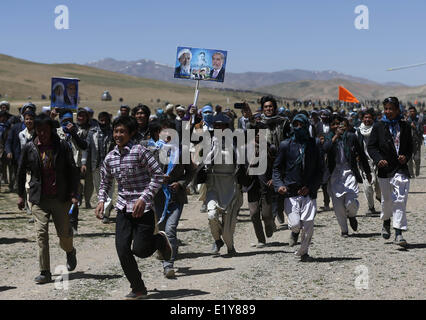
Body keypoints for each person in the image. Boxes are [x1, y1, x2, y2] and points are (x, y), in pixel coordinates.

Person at [95, 116, 172, 300]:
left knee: (141, 250)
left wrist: (144, 198)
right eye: (116, 131)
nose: (118, 135)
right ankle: (138, 287)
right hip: (123, 208)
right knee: (122, 249)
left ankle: (160, 241)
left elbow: (158, 176)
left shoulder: (140, 151)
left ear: (131, 133)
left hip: (143, 209)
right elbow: (105, 182)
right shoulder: (110, 158)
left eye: (122, 131)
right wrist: (100, 200)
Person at [17, 113, 79, 284]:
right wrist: (20, 195)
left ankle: (70, 250)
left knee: (64, 235)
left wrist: (74, 194)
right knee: (41, 234)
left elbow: (72, 170)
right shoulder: (30, 147)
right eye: (38, 131)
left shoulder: (62, 146)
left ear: (51, 129)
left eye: (44, 130)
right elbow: (21, 172)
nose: (41, 134)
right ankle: (45, 272)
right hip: (39, 198)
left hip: (61, 197)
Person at [273, 113, 323, 261]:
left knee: (308, 226)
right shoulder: (285, 145)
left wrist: (311, 187)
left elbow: (320, 170)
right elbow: (276, 169)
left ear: (307, 126)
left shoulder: (314, 144)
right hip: (291, 192)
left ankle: (304, 252)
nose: (299, 128)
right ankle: (294, 232)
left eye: (302, 125)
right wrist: (279, 185)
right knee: (295, 224)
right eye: (296, 125)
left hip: (308, 193)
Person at [150, 120, 195, 278]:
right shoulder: (153, 150)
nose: (167, 134)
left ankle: (168, 265)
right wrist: (157, 178)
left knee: (170, 229)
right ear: (158, 133)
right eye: (163, 131)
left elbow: (190, 172)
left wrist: (180, 183)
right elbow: (146, 171)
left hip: (176, 197)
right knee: (161, 229)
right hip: (159, 197)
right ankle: (168, 251)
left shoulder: (182, 151)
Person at [367, 97, 413, 247]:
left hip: (400, 168)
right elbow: (371, 147)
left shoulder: (405, 126)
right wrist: (378, 159)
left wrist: (405, 156)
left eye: (391, 109)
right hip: (385, 170)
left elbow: (410, 147)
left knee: (400, 199)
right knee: (387, 200)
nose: (388, 111)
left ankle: (398, 232)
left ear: (398, 110)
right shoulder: (379, 126)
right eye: (386, 109)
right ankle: (386, 221)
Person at [324, 115, 371, 237]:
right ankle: (344, 230)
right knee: (338, 205)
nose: (336, 126)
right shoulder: (328, 137)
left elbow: (361, 154)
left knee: (351, 201)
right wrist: (335, 137)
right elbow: (325, 149)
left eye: (339, 124)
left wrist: (367, 172)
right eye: (333, 124)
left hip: (349, 171)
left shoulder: (351, 137)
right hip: (334, 174)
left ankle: (352, 215)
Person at [203, 113, 243, 256]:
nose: (219, 128)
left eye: (222, 125)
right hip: (214, 184)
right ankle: (217, 240)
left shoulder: (236, 141)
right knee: (212, 216)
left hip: (231, 186)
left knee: (228, 226)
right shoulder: (209, 141)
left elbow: (241, 162)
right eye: (216, 125)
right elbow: (203, 161)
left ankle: (230, 247)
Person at [83, 111, 115, 224]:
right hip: (95, 165)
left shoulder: (113, 132)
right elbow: (87, 148)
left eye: (105, 118)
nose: (103, 120)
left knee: (110, 189)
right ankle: (104, 207)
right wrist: (83, 162)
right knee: (99, 189)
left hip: (110, 166)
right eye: (101, 118)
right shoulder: (92, 132)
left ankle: (106, 214)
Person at [355, 109, 381, 215]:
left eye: (369, 117)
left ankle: (379, 197)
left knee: (379, 186)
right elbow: (355, 145)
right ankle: (371, 207)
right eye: (365, 117)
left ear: (373, 118)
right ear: (362, 119)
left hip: (377, 161)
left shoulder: (378, 130)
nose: (367, 120)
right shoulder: (358, 131)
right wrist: (357, 156)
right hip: (364, 162)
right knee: (367, 186)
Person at [406, 106, 423, 177]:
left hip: (416, 142)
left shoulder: (419, 121)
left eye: (413, 111)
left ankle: (417, 170)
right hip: (408, 143)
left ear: (415, 112)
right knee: (409, 160)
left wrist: (415, 127)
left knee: (417, 158)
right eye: (410, 111)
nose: (412, 113)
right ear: (408, 113)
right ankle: (411, 173)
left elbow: (421, 131)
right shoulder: (406, 121)